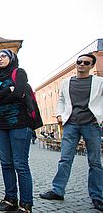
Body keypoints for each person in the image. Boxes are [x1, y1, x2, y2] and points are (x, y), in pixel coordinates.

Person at [40, 53, 103, 212]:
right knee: (65, 159)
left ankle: (97, 197)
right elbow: (61, 100)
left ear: (91, 66)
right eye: (79, 62)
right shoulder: (66, 82)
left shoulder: (99, 82)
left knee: (95, 162)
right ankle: (57, 190)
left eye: (86, 62)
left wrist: (100, 117)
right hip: (71, 124)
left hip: (91, 124)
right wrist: (60, 113)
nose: (81, 64)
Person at [0, 49, 33, 213]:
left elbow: (19, 93)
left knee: (20, 164)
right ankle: (10, 199)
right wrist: (8, 91)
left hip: (20, 123)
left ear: (12, 58)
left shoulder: (19, 72)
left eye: (3, 56)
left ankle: (26, 204)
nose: (0, 59)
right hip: (1, 125)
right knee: (6, 163)